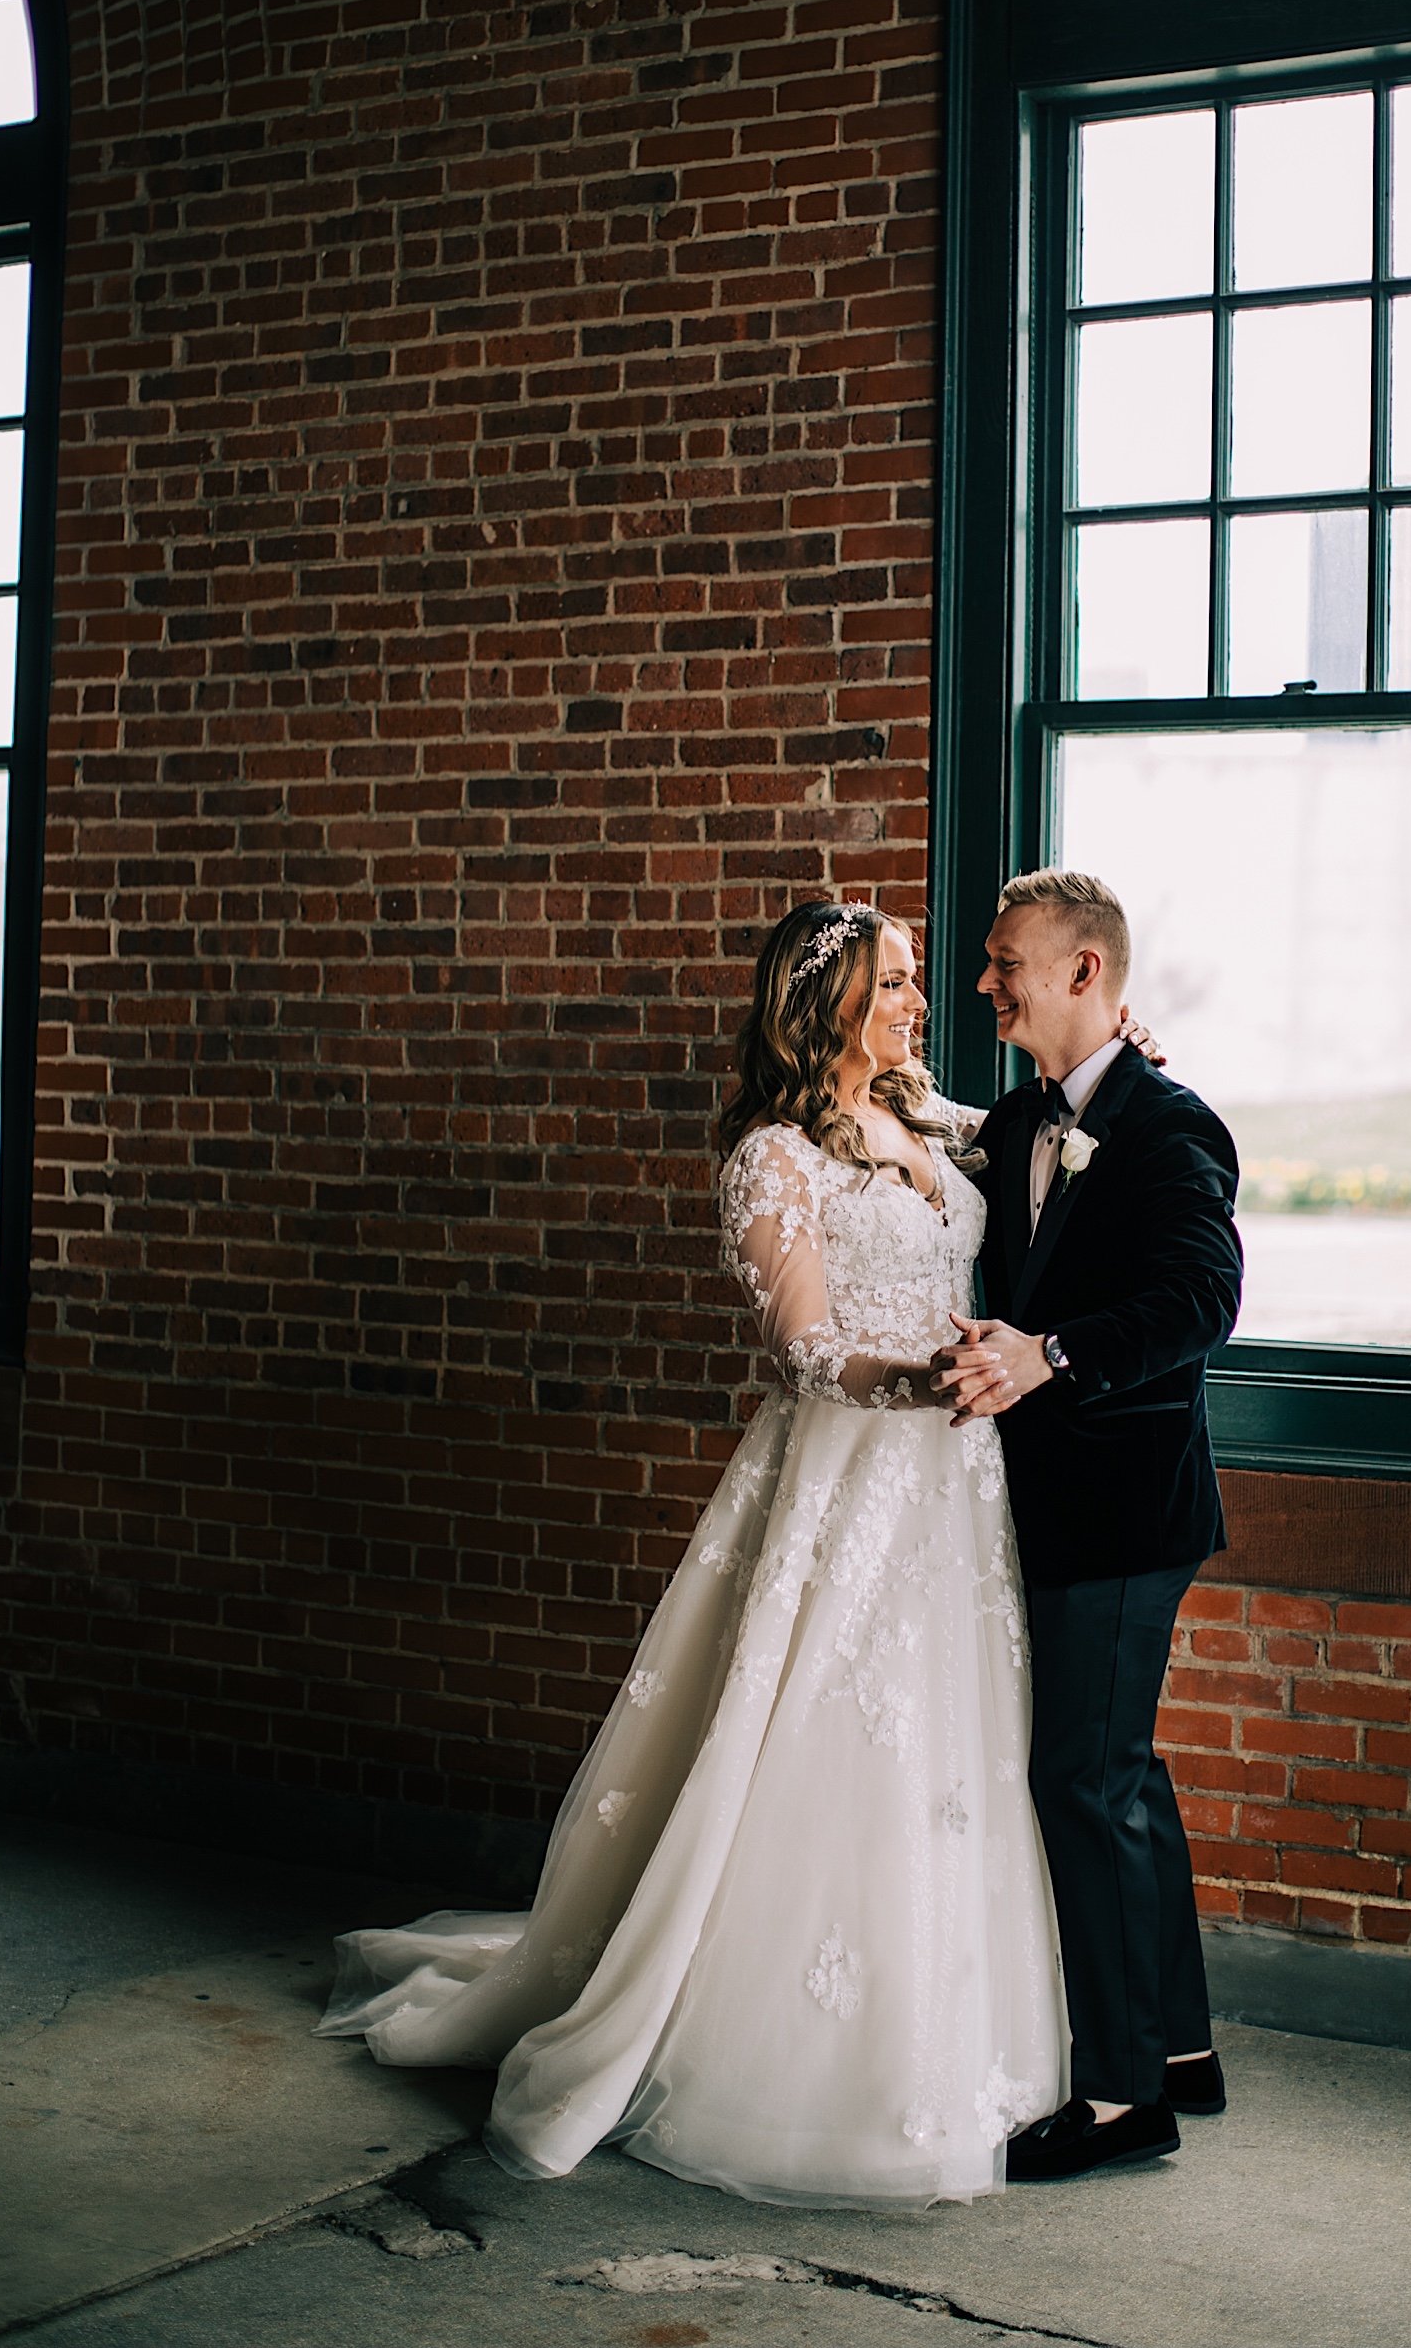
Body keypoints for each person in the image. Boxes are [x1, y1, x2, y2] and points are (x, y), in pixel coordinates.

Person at [318, 900, 1075, 2209]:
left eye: (911, 983)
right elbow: (798, 1348)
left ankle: (942, 2034)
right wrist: (921, 1380)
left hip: (953, 1501)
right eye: (893, 984)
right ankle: (769, 2049)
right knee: (821, 1748)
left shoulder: (935, 1119)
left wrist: (1130, 1056)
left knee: (947, 1758)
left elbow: (1044, 1136)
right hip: (848, 1478)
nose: (918, 1001)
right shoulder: (772, 1159)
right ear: (826, 1004)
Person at [933, 868, 1243, 2183]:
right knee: (1124, 1770)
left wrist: (1049, 1353)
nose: (987, 982)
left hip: (1127, 1512)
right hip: (1052, 1507)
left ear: (1085, 974)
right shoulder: (1014, 1121)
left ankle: (1121, 2100)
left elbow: (1198, 1304)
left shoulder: (1174, 1129)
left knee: (1081, 1777)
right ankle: (1178, 2049)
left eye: (1008, 961)